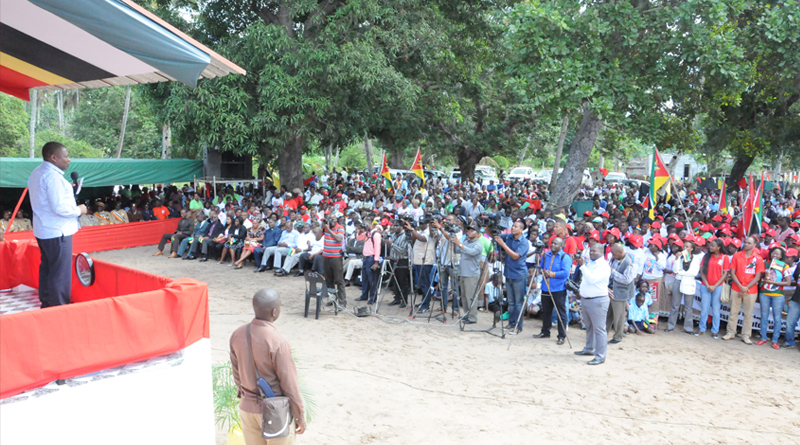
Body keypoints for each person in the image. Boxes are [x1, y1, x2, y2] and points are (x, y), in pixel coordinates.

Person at [229, 289, 306, 444]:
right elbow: (289, 383)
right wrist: (299, 416)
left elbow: (236, 373)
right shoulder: (277, 341)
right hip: (275, 413)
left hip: (247, 409)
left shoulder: (237, 334)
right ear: (274, 312)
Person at [27, 142, 88, 308]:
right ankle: (59, 309)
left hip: (45, 230)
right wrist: (79, 210)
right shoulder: (53, 177)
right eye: (66, 156)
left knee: (48, 268)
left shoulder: (37, 172)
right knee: (60, 273)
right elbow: (60, 208)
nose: (69, 160)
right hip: (58, 232)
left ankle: (47, 305)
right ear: (53, 157)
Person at [573, 243, 611, 365]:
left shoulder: (603, 266)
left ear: (601, 252)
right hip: (587, 299)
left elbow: (592, 279)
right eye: (590, 251)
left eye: (594, 251)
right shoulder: (591, 263)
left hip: (598, 300)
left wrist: (582, 265)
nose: (591, 253)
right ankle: (589, 349)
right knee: (589, 326)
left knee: (599, 329)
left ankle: (600, 356)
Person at [724, 236, 764, 344]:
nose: (746, 244)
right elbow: (732, 272)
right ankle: (730, 332)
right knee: (733, 311)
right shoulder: (737, 256)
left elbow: (757, 277)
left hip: (751, 290)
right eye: (745, 242)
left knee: (748, 314)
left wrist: (746, 288)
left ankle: (746, 335)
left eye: (749, 243)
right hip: (737, 287)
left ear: (754, 245)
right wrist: (741, 287)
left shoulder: (758, 259)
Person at [495, 219, 530, 332]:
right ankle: (511, 323)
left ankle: (518, 326)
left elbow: (515, 256)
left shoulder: (524, 242)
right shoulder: (509, 236)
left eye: (515, 226)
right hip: (509, 273)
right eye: (513, 226)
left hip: (519, 274)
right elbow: (497, 237)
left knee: (518, 302)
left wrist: (503, 245)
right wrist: (489, 229)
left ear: (521, 229)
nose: (513, 228)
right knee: (511, 301)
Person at [535, 237, 572, 344]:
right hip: (545, 287)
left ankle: (561, 336)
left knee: (561, 313)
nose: (553, 245)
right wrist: (542, 271)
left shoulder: (565, 257)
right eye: (552, 243)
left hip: (559, 289)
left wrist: (551, 274)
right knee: (546, 311)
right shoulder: (546, 255)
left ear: (561, 246)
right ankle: (545, 331)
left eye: (556, 244)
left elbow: (565, 273)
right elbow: (540, 267)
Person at [447, 222, 484, 323]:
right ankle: (467, 315)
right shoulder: (466, 242)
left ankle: (472, 317)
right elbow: (458, 250)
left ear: (478, 233)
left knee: (470, 297)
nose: (470, 232)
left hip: (471, 274)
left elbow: (471, 252)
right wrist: (454, 242)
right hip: (463, 273)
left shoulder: (478, 244)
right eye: (469, 230)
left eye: (473, 231)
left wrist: (459, 243)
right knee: (464, 296)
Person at [756, 246, 791, 349]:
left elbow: (788, 282)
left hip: (778, 295)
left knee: (777, 318)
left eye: (777, 254)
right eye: (773, 253)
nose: (774, 255)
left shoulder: (785, 266)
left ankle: (775, 340)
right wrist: (764, 280)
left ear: (781, 256)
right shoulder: (765, 264)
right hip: (765, 293)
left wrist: (772, 282)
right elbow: (760, 279)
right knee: (764, 316)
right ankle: (763, 338)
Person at [698, 238, 729, 339]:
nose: (710, 247)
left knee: (716, 309)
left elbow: (725, 274)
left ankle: (715, 330)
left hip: (718, 286)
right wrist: (707, 284)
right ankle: (702, 328)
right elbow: (702, 271)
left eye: (713, 245)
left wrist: (715, 286)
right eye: (710, 245)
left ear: (719, 247)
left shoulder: (724, 258)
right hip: (705, 285)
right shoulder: (706, 256)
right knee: (704, 308)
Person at [608, 243, 636, 344]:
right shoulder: (616, 259)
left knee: (619, 317)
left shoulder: (628, 263)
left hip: (621, 293)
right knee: (608, 315)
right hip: (612, 291)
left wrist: (613, 272)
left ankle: (617, 337)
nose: (613, 256)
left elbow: (627, 279)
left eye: (614, 254)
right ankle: (603, 334)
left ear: (620, 252)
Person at [322, 217, 347, 308]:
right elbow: (317, 238)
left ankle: (342, 302)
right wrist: (322, 228)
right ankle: (332, 300)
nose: (331, 221)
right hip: (326, 256)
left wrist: (328, 230)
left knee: (339, 280)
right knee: (328, 280)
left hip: (336, 257)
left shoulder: (340, 227)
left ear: (335, 220)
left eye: (333, 219)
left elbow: (339, 239)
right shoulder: (325, 228)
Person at [355, 222, 382, 304]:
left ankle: (372, 297)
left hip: (372, 258)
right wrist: (360, 230)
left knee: (372, 279)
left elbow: (377, 248)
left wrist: (376, 262)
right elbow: (359, 238)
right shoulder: (367, 233)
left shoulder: (376, 234)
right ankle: (364, 294)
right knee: (365, 278)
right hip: (365, 258)